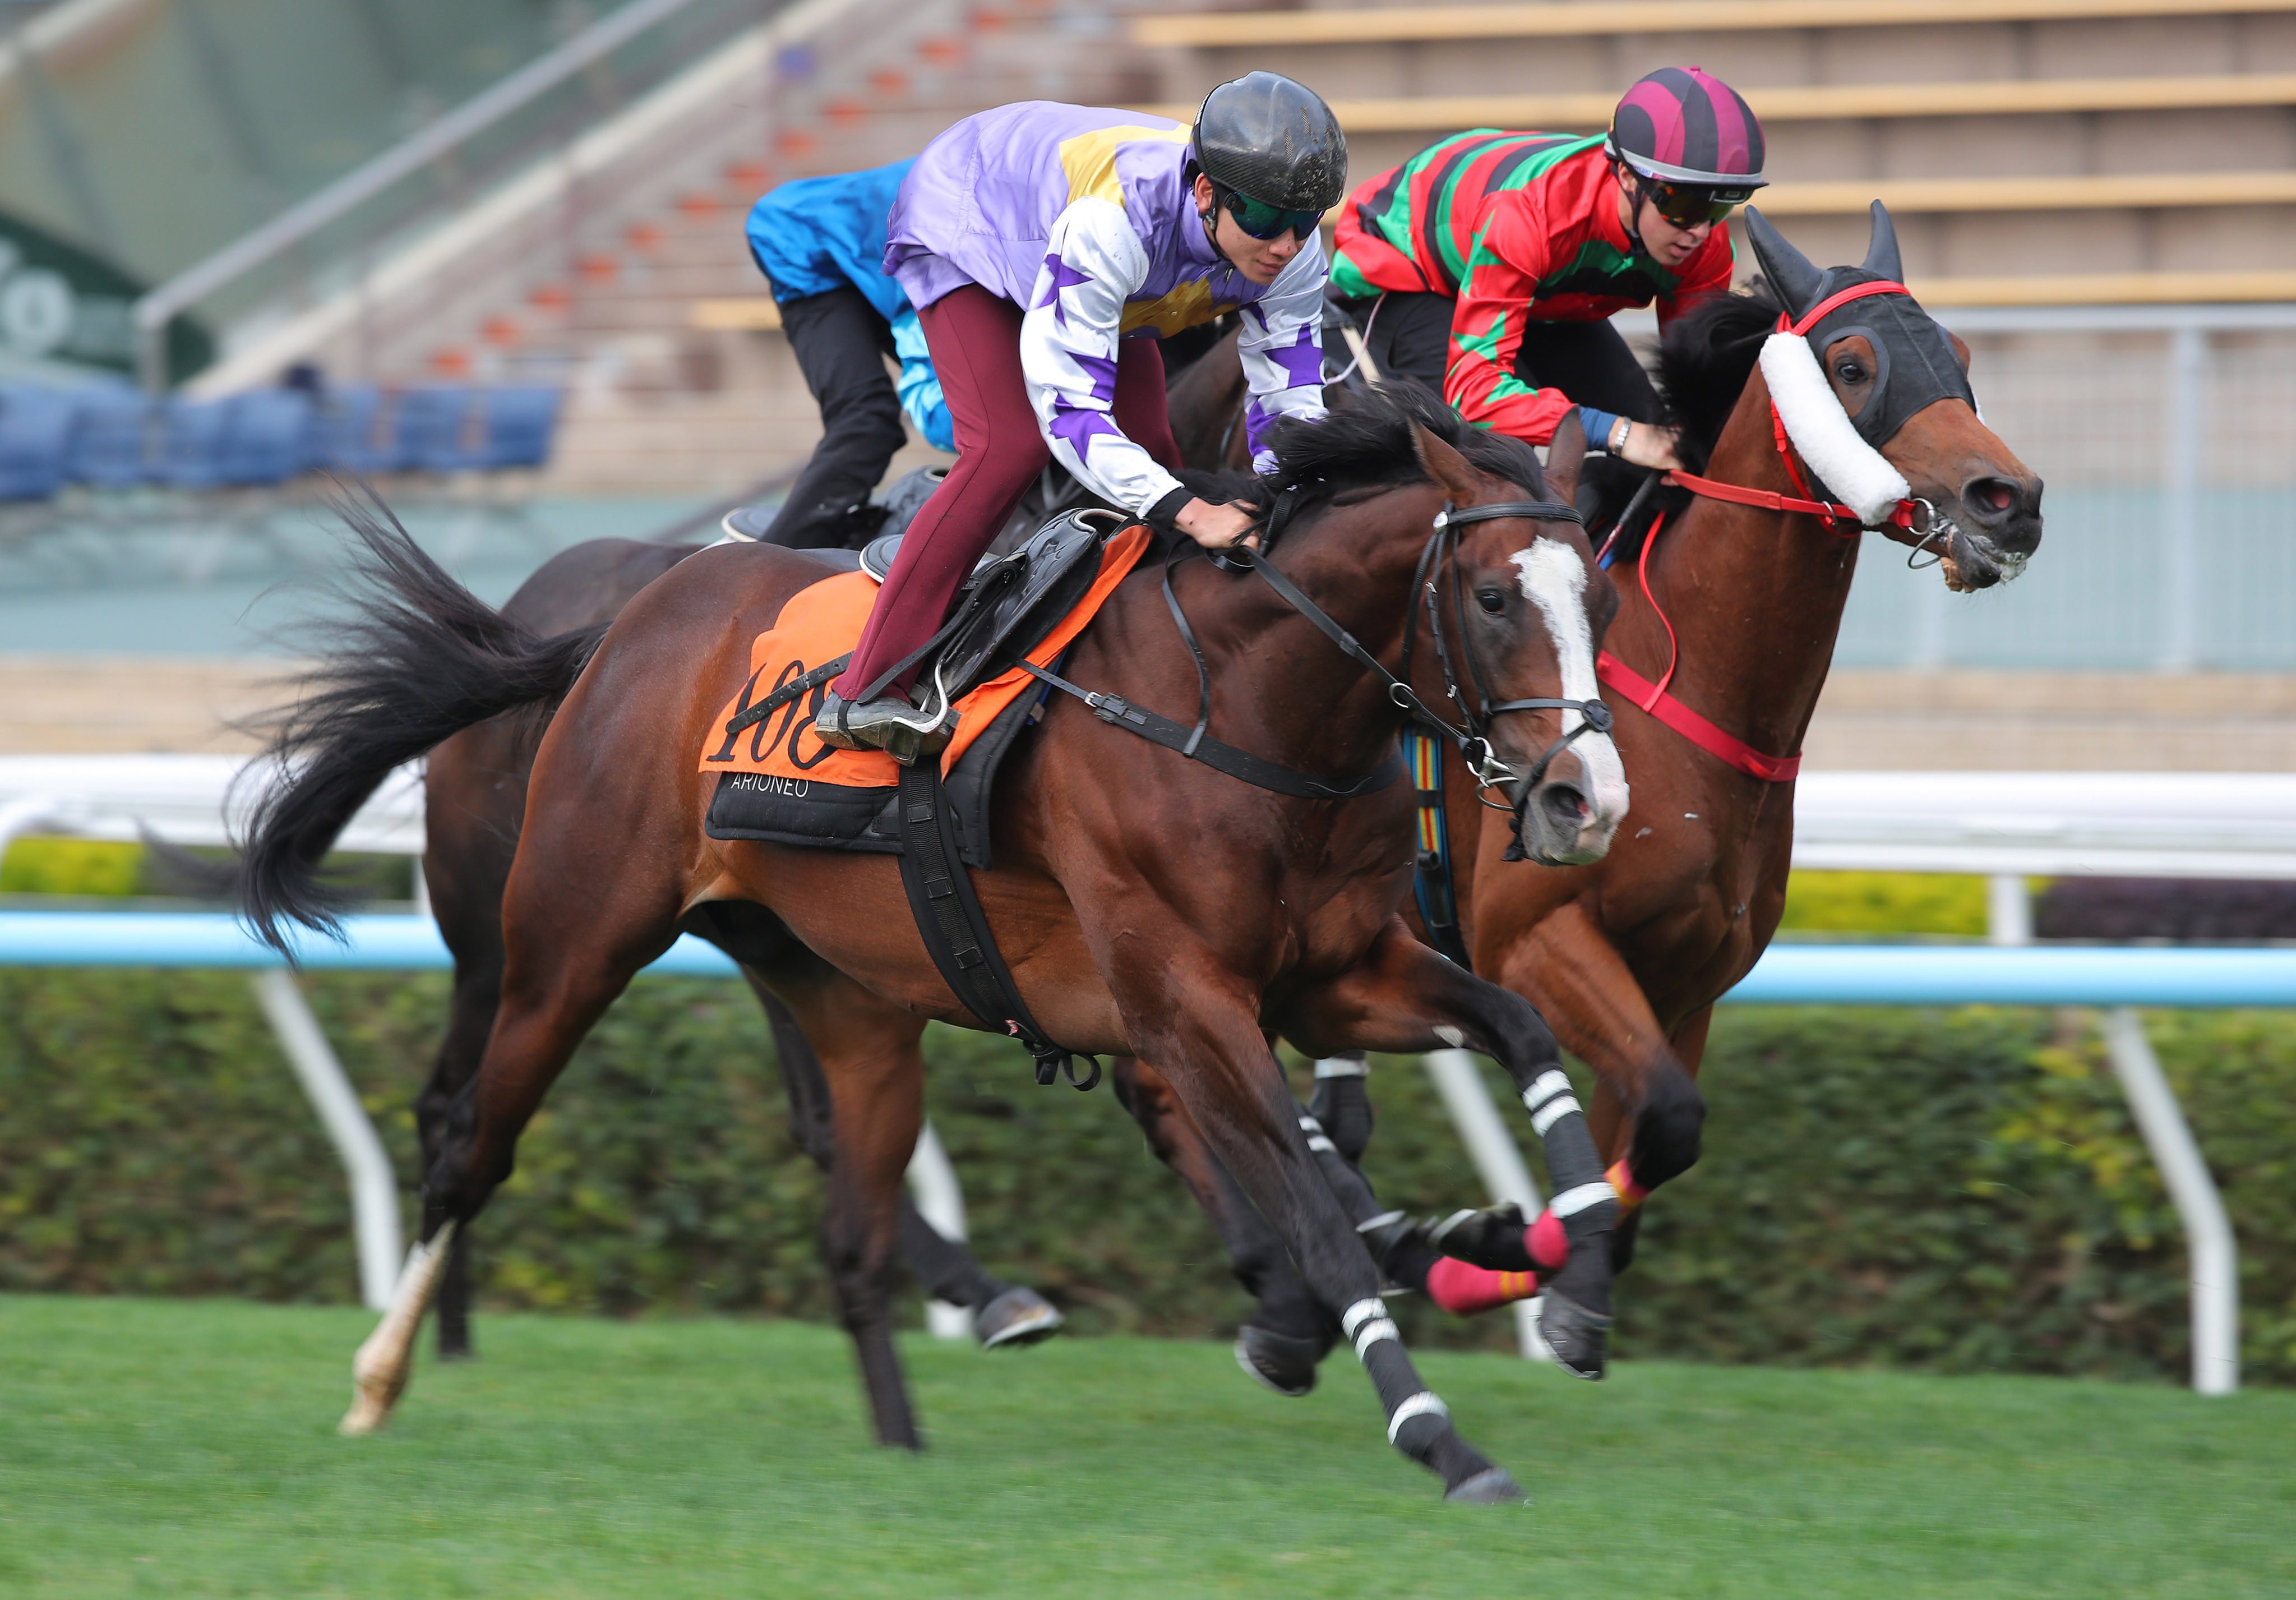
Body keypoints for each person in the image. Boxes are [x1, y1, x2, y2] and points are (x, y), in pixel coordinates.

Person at [814, 73, 1347, 756]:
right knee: (1008, 447)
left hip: (1096, 245)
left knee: (1156, 449)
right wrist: (1196, 514)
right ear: (1207, 192)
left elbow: (1290, 407)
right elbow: (1068, 412)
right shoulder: (1114, 222)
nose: (1287, 246)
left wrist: (1295, 511)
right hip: (974, 214)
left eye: (1306, 223)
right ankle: (866, 690)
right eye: (1269, 222)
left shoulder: (1293, 255)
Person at [1328, 66, 1767, 473]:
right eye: (1684, 204)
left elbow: (1694, 393)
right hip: (1411, 268)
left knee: (1667, 444)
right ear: (1628, 178)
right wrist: (1617, 433)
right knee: (1495, 458)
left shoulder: (1705, 241)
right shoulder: (1527, 217)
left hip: (1539, 287)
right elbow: (1476, 392)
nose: (1699, 230)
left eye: (1721, 205)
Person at [722, 159, 955, 549]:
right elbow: (949, 416)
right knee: (867, 422)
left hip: (884, 247)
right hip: (804, 246)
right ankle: (772, 562)